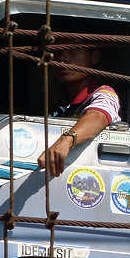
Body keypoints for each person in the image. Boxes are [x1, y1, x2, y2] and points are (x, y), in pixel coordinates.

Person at [38, 47, 121, 178]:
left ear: (94, 57)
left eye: (73, 49)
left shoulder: (105, 93)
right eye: (58, 51)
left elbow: (98, 116)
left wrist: (66, 141)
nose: (63, 58)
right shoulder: (62, 105)